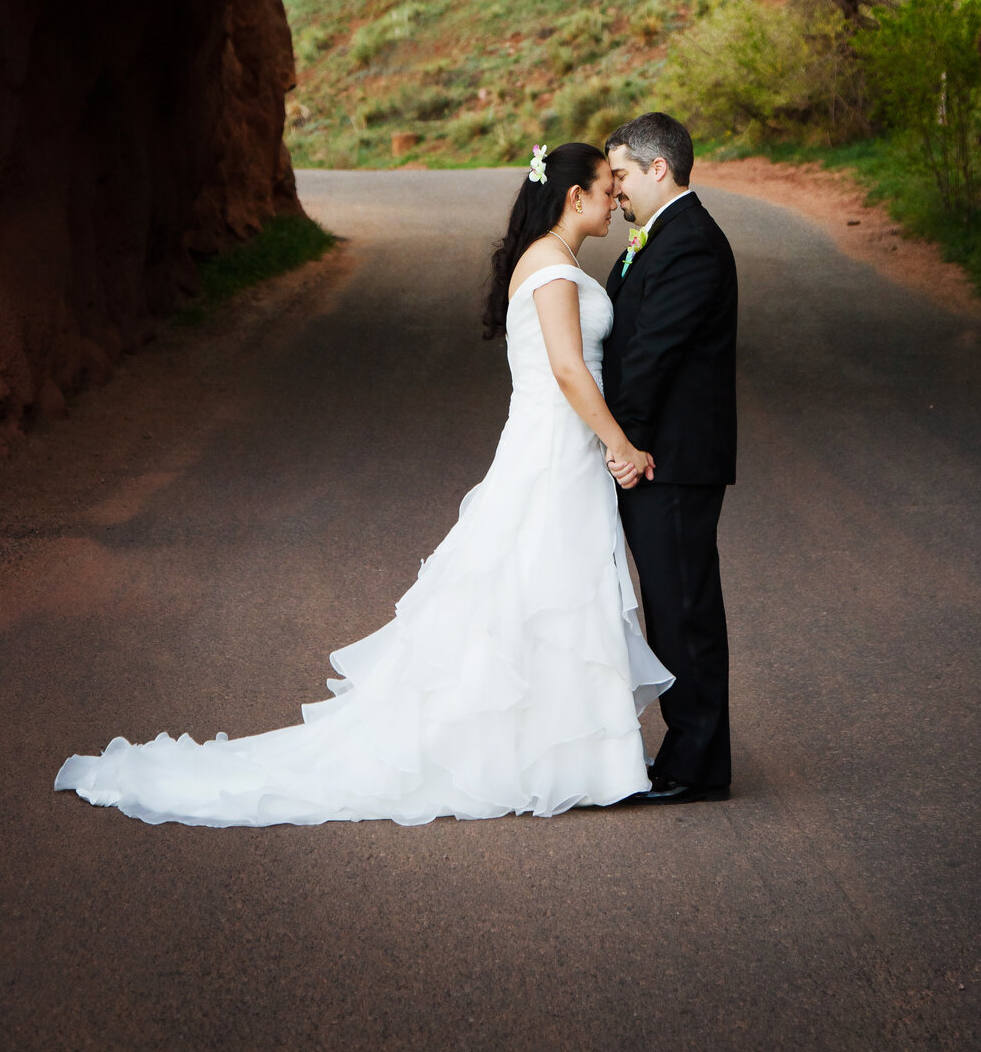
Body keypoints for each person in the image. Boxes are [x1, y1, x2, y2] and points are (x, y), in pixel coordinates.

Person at [54, 143, 672, 826]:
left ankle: (564, 755)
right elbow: (566, 370)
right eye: (604, 188)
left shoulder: (550, 262)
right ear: (572, 198)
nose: (615, 199)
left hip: (554, 448)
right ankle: (550, 755)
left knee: (543, 593)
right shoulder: (553, 269)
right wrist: (621, 443)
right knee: (544, 592)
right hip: (557, 449)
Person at [603, 113, 738, 804]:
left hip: (672, 461)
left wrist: (625, 444)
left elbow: (651, 355)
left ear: (660, 168)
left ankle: (696, 767)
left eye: (622, 174)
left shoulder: (690, 244)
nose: (615, 189)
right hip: (661, 458)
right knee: (670, 604)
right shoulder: (658, 238)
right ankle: (686, 754)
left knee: (683, 610)